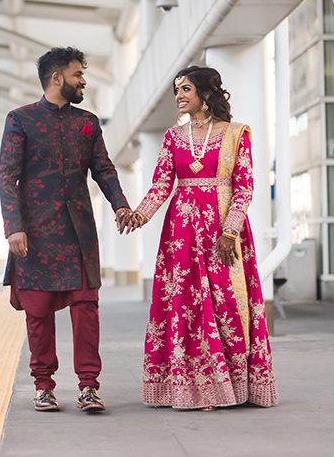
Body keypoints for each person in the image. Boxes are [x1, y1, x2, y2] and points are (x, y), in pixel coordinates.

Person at [123, 66, 278, 410]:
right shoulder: (172, 137)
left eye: (186, 89)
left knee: (226, 305)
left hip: (224, 233)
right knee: (187, 308)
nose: (178, 96)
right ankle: (193, 387)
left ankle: (232, 387)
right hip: (182, 235)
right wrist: (140, 214)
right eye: (176, 90)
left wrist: (230, 231)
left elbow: (245, 186)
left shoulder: (236, 134)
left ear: (205, 94)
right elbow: (162, 185)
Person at [0, 46, 132, 413]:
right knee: (38, 315)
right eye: (77, 75)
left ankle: (89, 386)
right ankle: (43, 386)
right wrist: (14, 228)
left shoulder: (87, 122)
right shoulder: (20, 119)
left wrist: (119, 204)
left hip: (79, 233)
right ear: (57, 78)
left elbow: (103, 169)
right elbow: (8, 176)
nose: (83, 81)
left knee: (86, 310)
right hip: (35, 235)